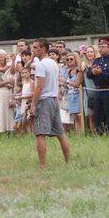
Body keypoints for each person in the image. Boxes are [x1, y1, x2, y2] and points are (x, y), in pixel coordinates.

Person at [30, 38, 71, 169]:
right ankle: (68, 162)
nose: (33, 50)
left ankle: (42, 165)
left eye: (36, 47)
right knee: (60, 133)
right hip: (54, 100)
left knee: (40, 133)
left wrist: (33, 104)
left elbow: (39, 87)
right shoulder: (53, 63)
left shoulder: (41, 65)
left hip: (44, 101)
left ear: (43, 48)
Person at [87, 37, 109, 135]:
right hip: (98, 91)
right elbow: (89, 75)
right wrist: (92, 72)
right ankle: (100, 133)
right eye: (99, 46)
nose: (100, 49)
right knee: (98, 114)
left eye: (103, 47)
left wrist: (101, 73)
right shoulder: (96, 61)